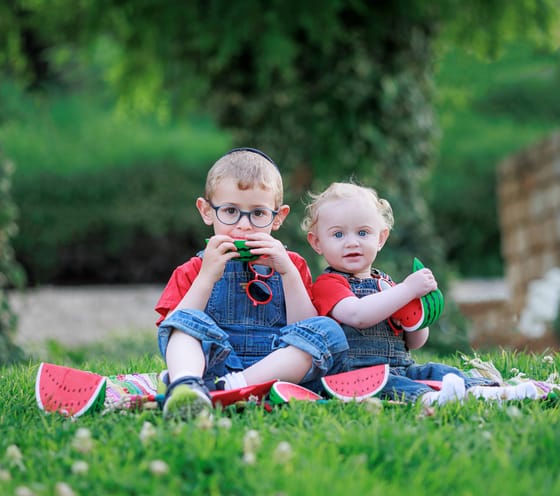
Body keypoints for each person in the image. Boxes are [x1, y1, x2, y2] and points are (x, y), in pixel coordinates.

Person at [155, 148, 348, 420]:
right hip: (215, 365)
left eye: (258, 213)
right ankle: (187, 385)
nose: (244, 226)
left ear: (278, 217)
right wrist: (207, 276)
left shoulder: (292, 265)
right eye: (231, 211)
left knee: (328, 329)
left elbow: (304, 327)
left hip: (278, 370)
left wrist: (288, 274)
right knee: (181, 321)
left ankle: (231, 388)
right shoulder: (195, 269)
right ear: (207, 211)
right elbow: (172, 328)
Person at [303, 182, 537, 405]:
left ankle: (490, 390)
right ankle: (431, 398)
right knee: (391, 385)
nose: (352, 242)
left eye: (363, 233)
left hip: (400, 365)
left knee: (436, 370)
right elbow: (358, 315)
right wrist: (406, 290)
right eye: (338, 235)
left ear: (381, 238)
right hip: (356, 374)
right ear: (317, 243)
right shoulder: (328, 284)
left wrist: (415, 314)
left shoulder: (386, 284)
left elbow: (415, 342)